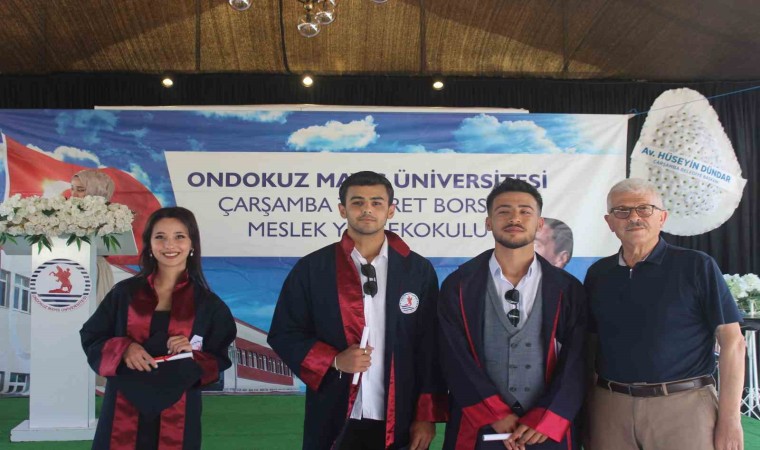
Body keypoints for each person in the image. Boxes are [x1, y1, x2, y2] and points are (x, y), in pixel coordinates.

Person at [268, 171, 448, 450]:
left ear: (390, 210)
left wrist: (426, 416)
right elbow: (284, 332)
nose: (367, 209)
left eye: (376, 202)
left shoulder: (417, 270)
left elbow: (430, 347)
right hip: (335, 412)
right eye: (357, 202)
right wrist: (334, 360)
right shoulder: (313, 268)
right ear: (343, 210)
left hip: (399, 414)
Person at [584, 178, 745, 450]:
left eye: (644, 208)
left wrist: (730, 420)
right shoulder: (598, 275)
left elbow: (733, 342)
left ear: (662, 217)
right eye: (622, 210)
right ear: (609, 222)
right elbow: (589, 347)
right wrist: (588, 412)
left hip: (684, 408)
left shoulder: (697, 266)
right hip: (610, 408)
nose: (634, 217)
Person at [439, 178, 586, 450]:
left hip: (544, 430)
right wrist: (494, 412)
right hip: (479, 425)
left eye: (525, 211)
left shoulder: (567, 289)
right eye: (504, 211)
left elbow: (577, 360)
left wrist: (547, 416)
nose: (514, 218)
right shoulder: (459, 286)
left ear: (539, 224)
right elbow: (453, 357)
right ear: (488, 222)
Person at [80, 207, 237, 450]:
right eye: (160, 237)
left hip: (179, 408)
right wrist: (124, 348)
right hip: (123, 404)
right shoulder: (124, 293)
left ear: (192, 244)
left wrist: (190, 354)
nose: (169, 245)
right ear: (149, 244)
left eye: (179, 236)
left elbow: (219, 358)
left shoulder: (208, 304)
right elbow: (92, 336)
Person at [70, 169, 117, 304]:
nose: (74, 194)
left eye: (80, 189)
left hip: (95, 270)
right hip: (67, 265)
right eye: (72, 188)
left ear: (97, 191)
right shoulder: (61, 214)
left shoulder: (113, 216)